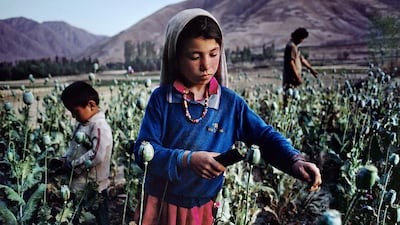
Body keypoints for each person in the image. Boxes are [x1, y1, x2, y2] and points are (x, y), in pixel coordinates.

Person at [133, 8, 322, 225]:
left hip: (204, 208)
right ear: (175, 57)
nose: (206, 65)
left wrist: (294, 160)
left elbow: (264, 136)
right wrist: (187, 159)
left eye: (213, 54)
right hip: (161, 204)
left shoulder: (230, 103)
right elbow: (143, 151)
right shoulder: (162, 100)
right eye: (195, 56)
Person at [60, 81, 113, 225]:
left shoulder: (99, 126)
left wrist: (73, 165)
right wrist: (65, 158)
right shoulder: (83, 124)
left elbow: (97, 155)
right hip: (79, 187)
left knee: (99, 220)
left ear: (91, 105)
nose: (73, 116)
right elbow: (73, 147)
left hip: (95, 188)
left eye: (75, 112)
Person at [283, 27, 318, 105]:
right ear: (298, 37)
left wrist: (311, 69)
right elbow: (291, 62)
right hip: (291, 79)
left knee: (294, 101)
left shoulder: (295, 47)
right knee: (289, 101)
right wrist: (298, 77)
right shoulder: (291, 46)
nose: (302, 41)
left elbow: (302, 59)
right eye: (302, 38)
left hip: (294, 79)